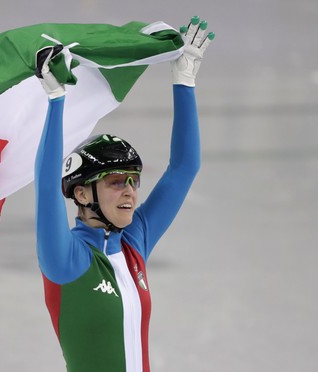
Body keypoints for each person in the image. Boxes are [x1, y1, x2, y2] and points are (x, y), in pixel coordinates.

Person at [33, 17, 214, 372]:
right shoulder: (66, 259)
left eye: (133, 180)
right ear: (83, 193)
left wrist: (184, 80)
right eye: (116, 181)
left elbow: (183, 168)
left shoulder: (133, 242)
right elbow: (45, 185)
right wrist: (56, 102)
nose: (130, 191)